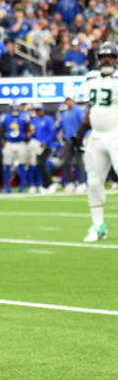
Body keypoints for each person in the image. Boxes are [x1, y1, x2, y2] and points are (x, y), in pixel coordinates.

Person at [71, 42, 118, 242]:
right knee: (93, 182)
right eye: (103, 56)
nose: (106, 60)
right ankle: (98, 226)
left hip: (116, 134)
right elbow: (91, 107)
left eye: (110, 56)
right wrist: (81, 131)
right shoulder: (91, 78)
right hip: (97, 136)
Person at [0, 103, 32, 193]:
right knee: (7, 165)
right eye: (13, 107)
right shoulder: (5, 117)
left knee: (22, 165)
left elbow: (28, 130)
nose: (15, 109)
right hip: (9, 142)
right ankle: (8, 187)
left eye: (16, 107)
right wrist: (3, 139)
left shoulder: (24, 117)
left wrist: (26, 136)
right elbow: (2, 130)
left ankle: (22, 186)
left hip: (21, 142)